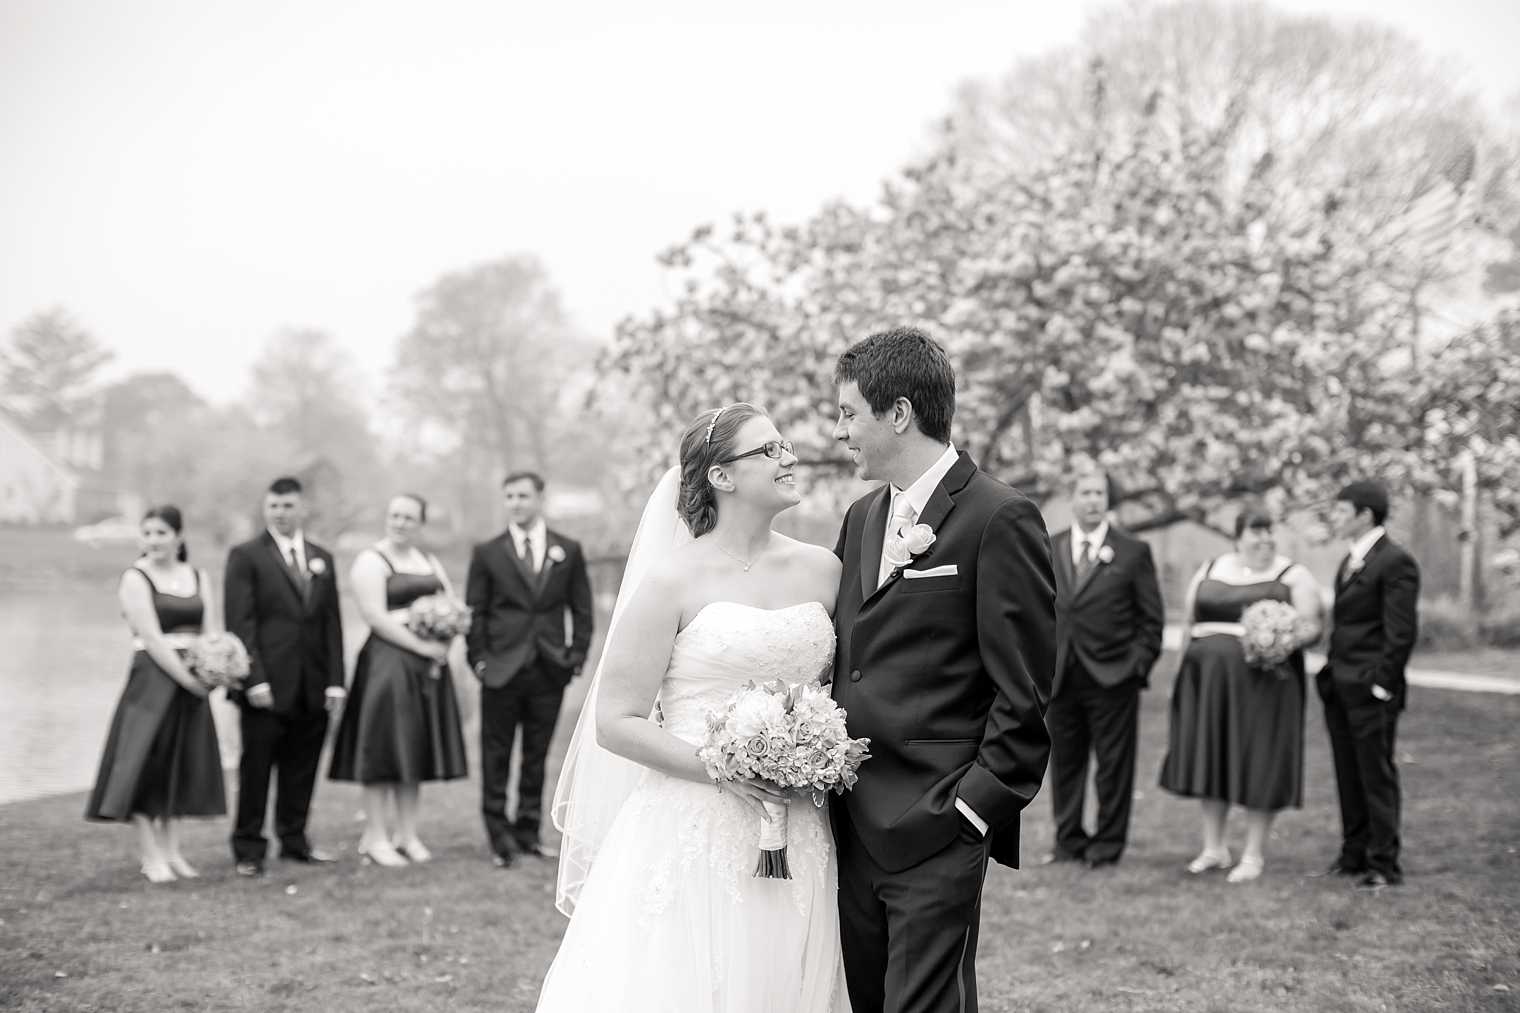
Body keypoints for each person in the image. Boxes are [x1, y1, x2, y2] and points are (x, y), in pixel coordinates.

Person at [535, 403, 847, 1011]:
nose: (789, 458)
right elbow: (616, 721)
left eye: (786, 445)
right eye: (768, 450)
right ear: (721, 477)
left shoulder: (825, 571)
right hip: (692, 826)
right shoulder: (669, 580)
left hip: (802, 824)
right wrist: (725, 768)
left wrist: (816, 748)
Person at [830, 327, 1056, 1013]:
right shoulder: (860, 517)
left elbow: (1027, 692)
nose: (840, 433)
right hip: (850, 822)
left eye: (847, 414)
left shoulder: (999, 516)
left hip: (937, 824)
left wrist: (971, 809)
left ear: (898, 413)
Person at [1158, 503, 1323, 883]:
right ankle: (1213, 847)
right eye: (1256, 531)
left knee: (1258, 760)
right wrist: (1182, 675)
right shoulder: (1210, 569)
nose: (1264, 539)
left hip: (1266, 686)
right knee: (1212, 758)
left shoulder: (1293, 575)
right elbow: (1189, 624)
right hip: (1208, 684)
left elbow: (1313, 627)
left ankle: (1253, 853)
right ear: (1238, 536)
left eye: (1269, 531)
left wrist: (1281, 635)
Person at [86, 505, 226, 882]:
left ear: (179, 536)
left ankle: (172, 850)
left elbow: (211, 630)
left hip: (195, 678)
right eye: (147, 533)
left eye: (161, 533)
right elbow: (150, 638)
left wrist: (218, 665)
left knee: (181, 762)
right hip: (154, 679)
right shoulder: (136, 578)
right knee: (149, 763)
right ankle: (151, 855)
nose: (153, 540)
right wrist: (189, 680)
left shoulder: (198, 575)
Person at [328, 493, 468, 865]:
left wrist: (444, 642)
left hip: (428, 669)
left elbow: (451, 606)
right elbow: (375, 616)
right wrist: (421, 648)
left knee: (414, 750)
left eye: (408, 517)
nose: (400, 522)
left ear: (420, 523)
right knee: (383, 751)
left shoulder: (429, 561)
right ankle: (375, 836)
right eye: (394, 515)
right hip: (387, 665)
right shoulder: (371, 561)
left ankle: (407, 834)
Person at [465, 471, 593, 865]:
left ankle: (528, 831)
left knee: (536, 755)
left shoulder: (567, 550)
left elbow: (582, 610)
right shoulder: (487, 552)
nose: (516, 503)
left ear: (540, 498)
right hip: (501, 669)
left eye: (523, 495)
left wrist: (574, 658)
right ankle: (499, 837)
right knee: (496, 754)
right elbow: (476, 613)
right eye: (509, 496)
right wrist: (480, 661)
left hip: (549, 669)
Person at [224, 476, 346, 876]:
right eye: (274, 506)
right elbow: (240, 623)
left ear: (302, 508)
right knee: (256, 768)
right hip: (265, 685)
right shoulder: (246, 556)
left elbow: (332, 623)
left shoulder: (321, 558)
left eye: (288, 505)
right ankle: (248, 849)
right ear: (265, 508)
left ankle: (294, 841)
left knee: (302, 768)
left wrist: (335, 680)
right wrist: (252, 679)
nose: (280, 512)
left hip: (312, 685)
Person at [1044, 466, 1164, 868]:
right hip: (1061, 677)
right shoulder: (1050, 546)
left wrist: (1136, 667)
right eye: (1086, 492)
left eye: (1099, 493)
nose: (1093, 499)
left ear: (1108, 500)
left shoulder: (1133, 551)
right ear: (1072, 499)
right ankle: (1068, 842)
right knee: (1065, 765)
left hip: (1113, 678)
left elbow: (1151, 621)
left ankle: (1107, 846)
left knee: (1113, 768)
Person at [1317, 480, 1419, 889]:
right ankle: (1353, 853)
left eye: (1342, 512)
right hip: (1340, 685)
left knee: (1375, 774)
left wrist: (1381, 685)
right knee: (1348, 772)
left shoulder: (1395, 561)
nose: (1335, 518)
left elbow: (1401, 632)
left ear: (1365, 515)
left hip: (1370, 689)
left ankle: (1383, 862)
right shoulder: (1350, 559)